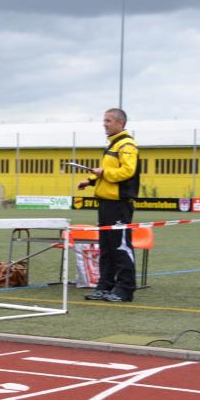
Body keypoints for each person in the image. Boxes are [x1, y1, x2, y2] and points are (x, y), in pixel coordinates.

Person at [78, 108, 140, 303]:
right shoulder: (112, 144)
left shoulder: (127, 145)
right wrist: (90, 180)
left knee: (120, 246)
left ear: (120, 123)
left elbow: (127, 171)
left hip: (119, 204)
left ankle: (125, 289)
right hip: (106, 203)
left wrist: (103, 173)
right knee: (106, 248)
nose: (104, 124)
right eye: (104, 120)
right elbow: (106, 170)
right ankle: (104, 286)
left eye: (108, 120)